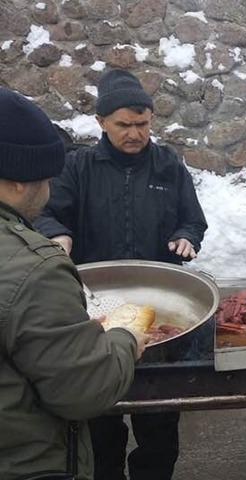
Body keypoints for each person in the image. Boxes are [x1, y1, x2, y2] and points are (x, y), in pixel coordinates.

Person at [35, 69, 207, 480]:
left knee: (159, 424)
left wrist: (186, 235)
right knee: (101, 424)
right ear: (101, 122)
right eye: (124, 125)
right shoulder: (77, 166)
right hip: (94, 306)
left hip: (159, 307)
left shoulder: (168, 165)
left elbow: (193, 219)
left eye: (143, 124)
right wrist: (57, 235)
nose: (135, 133)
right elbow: (46, 213)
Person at [0, 87, 145, 480]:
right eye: (47, 177)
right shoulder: (34, 268)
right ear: (16, 182)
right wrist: (125, 335)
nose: (48, 191)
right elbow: (83, 391)